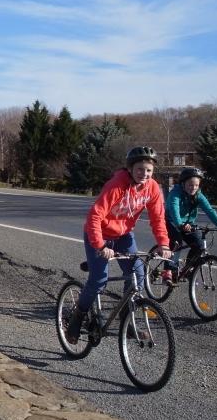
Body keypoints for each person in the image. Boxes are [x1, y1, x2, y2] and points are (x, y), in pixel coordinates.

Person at [65, 146, 171, 344]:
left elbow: (158, 218)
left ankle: (126, 319)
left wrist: (163, 244)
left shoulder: (152, 188)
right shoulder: (116, 185)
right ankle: (77, 317)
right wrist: (100, 246)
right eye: (140, 169)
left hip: (123, 235)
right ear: (130, 169)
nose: (144, 174)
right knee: (99, 280)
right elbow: (95, 216)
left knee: (138, 274)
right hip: (99, 234)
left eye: (149, 170)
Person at [161, 166, 217, 281]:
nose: (193, 188)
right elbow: (174, 209)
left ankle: (188, 268)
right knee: (177, 242)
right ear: (183, 183)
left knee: (199, 245)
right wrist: (180, 224)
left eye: (196, 185)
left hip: (188, 223)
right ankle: (168, 270)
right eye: (190, 185)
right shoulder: (175, 193)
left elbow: (210, 211)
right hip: (172, 221)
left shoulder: (198, 195)